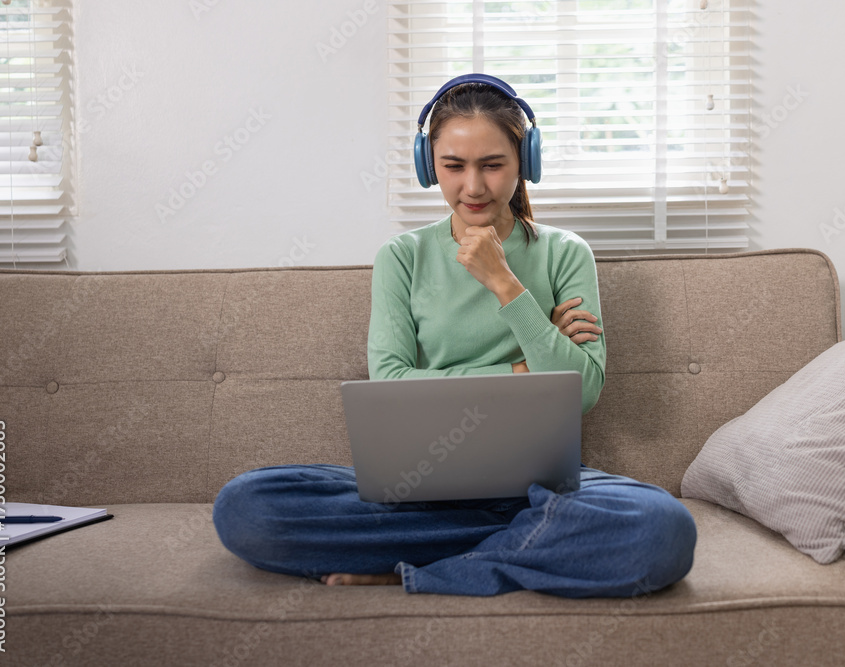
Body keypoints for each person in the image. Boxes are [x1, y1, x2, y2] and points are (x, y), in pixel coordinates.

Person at [212, 74, 697, 598]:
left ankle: (426, 565)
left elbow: (580, 391)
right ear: (429, 166)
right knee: (247, 506)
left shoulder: (565, 253)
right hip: (417, 491)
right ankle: (519, 549)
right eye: (453, 166)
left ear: (524, 162)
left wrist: (504, 283)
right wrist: (525, 369)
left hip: (542, 492)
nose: (474, 187)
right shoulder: (402, 258)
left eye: (493, 165)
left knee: (661, 529)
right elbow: (393, 382)